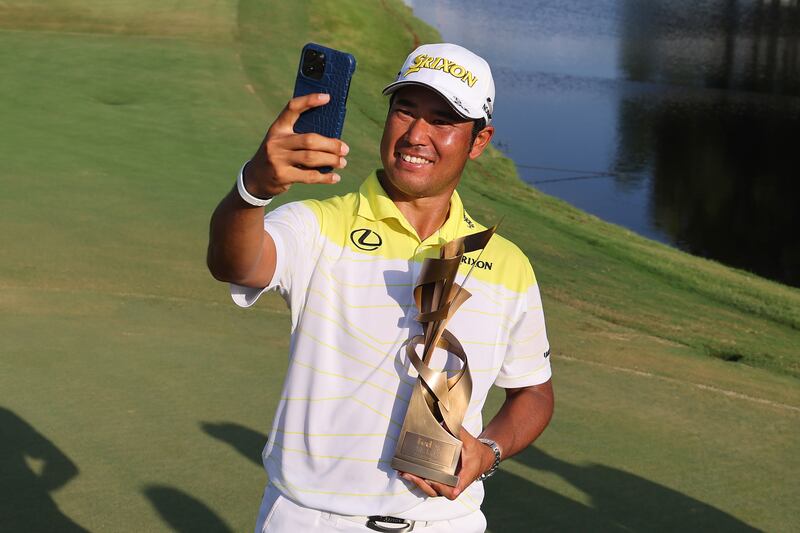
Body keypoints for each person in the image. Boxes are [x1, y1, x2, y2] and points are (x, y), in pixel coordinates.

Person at [207, 43, 554, 532]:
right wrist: (253, 189)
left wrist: (489, 451)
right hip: (312, 520)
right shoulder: (316, 224)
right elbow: (235, 264)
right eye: (405, 111)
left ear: (479, 141)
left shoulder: (506, 262)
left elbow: (533, 392)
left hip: (446, 523)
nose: (416, 134)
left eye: (443, 120)